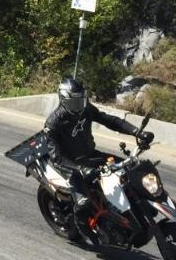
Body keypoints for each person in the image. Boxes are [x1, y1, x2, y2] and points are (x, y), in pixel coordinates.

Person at [42, 76, 154, 225]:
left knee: (132, 170)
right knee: (84, 204)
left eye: (82, 99)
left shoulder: (85, 108)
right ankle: (79, 225)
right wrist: (80, 169)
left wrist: (136, 132)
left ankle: (138, 210)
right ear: (64, 100)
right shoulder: (53, 123)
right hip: (71, 166)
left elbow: (109, 120)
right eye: (76, 101)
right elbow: (57, 157)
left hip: (90, 155)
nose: (80, 105)